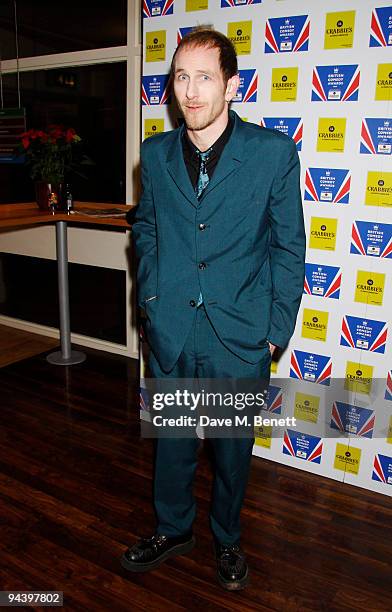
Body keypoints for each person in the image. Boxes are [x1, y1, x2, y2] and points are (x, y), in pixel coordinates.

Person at [121, 27, 306, 590]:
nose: (192, 91)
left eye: (205, 77)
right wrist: (150, 297)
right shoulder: (154, 155)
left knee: (231, 454)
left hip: (238, 333)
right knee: (173, 445)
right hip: (173, 326)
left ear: (231, 84)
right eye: (182, 77)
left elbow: (288, 246)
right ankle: (173, 528)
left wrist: (274, 331)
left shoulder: (272, 153)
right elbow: (146, 228)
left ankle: (227, 538)